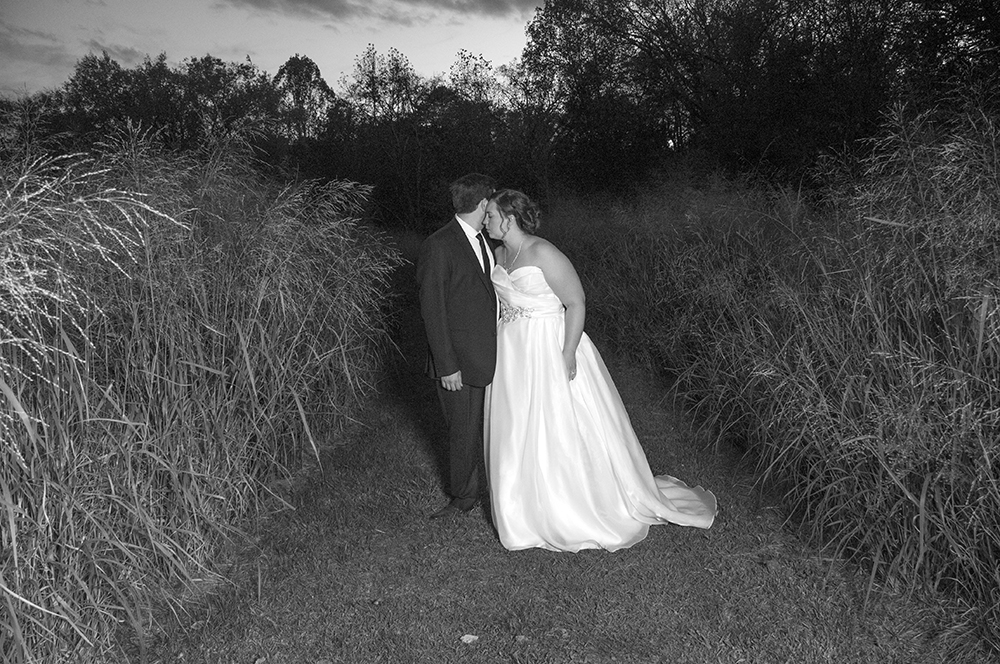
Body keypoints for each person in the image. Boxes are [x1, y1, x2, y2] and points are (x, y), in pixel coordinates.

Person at [483, 189, 717, 551]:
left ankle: (573, 501)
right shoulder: (499, 253)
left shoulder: (543, 252)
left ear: (509, 219)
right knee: (517, 425)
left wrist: (568, 352)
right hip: (513, 352)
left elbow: (576, 302)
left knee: (559, 423)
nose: (486, 221)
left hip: (550, 344)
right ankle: (521, 504)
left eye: (492, 216)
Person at [416, 173, 498, 519]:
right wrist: (447, 365)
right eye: (490, 203)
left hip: (490, 356)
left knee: (487, 428)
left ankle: (495, 488)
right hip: (458, 363)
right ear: (482, 204)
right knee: (463, 432)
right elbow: (432, 309)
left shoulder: (486, 243)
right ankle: (463, 497)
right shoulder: (439, 245)